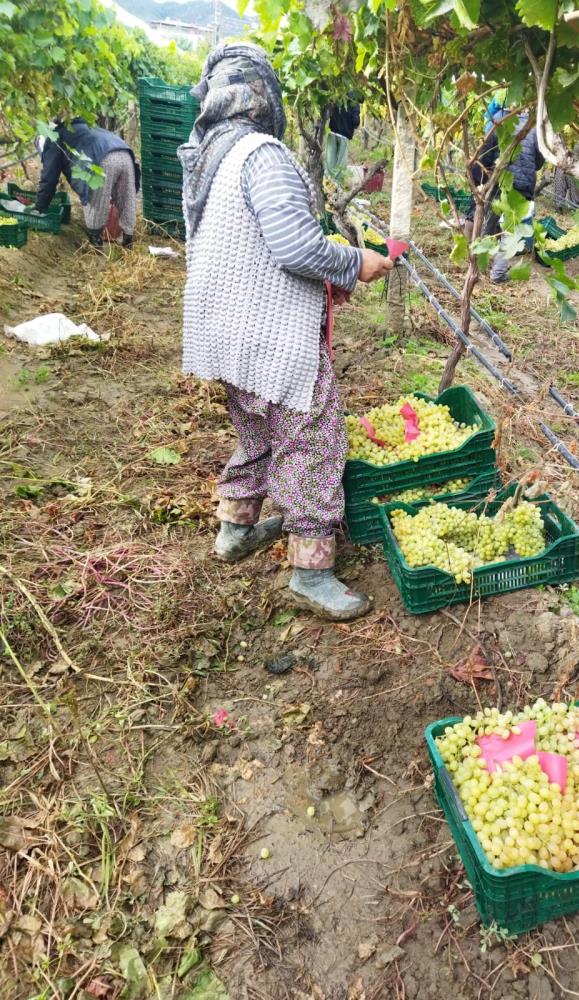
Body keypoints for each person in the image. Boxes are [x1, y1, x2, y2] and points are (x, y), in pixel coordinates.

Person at [179, 43, 392, 622]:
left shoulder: (209, 157)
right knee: (315, 436)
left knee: (258, 431)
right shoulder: (261, 154)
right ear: (262, 97)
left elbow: (246, 246)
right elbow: (294, 246)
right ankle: (312, 571)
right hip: (267, 335)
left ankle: (235, 531)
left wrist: (328, 275)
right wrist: (353, 262)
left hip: (223, 331)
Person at [464, 109, 545, 282]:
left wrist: (480, 177)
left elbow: (486, 154)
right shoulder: (537, 126)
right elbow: (539, 162)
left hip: (499, 181)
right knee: (509, 231)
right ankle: (498, 273)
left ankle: (475, 265)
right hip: (523, 186)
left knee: (488, 224)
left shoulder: (500, 119)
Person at [35, 119, 139, 248]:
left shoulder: (53, 138)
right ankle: (129, 242)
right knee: (126, 198)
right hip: (124, 153)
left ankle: (96, 245)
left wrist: (39, 208)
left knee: (95, 201)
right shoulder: (83, 126)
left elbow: (49, 180)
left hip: (102, 159)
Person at [324, 100, 360, 182]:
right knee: (341, 164)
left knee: (330, 162)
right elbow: (356, 121)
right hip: (344, 135)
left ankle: (328, 185)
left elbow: (328, 113)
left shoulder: (337, 96)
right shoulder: (355, 102)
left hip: (332, 132)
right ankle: (337, 186)